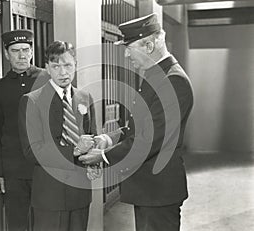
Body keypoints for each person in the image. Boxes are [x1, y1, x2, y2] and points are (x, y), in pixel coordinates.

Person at [79, 13, 194, 231]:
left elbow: (150, 139)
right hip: (149, 189)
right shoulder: (156, 76)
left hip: (158, 191)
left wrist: (103, 155)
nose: (126, 55)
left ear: (149, 45)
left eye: (129, 48)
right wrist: (108, 138)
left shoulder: (173, 81)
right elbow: (139, 126)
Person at [18, 41, 107, 231]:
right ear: (47, 68)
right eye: (56, 66)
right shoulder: (32, 101)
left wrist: (94, 161)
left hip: (80, 192)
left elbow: (92, 136)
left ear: (76, 65)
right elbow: (32, 151)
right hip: (50, 195)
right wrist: (74, 150)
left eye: (67, 65)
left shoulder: (85, 97)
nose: (63, 72)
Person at [0, 29, 50, 231]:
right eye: (15, 50)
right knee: (17, 224)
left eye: (26, 49)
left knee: (47, 223)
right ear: (6, 54)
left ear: (32, 52)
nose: (22, 55)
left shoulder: (49, 79)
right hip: (13, 171)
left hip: (44, 168)